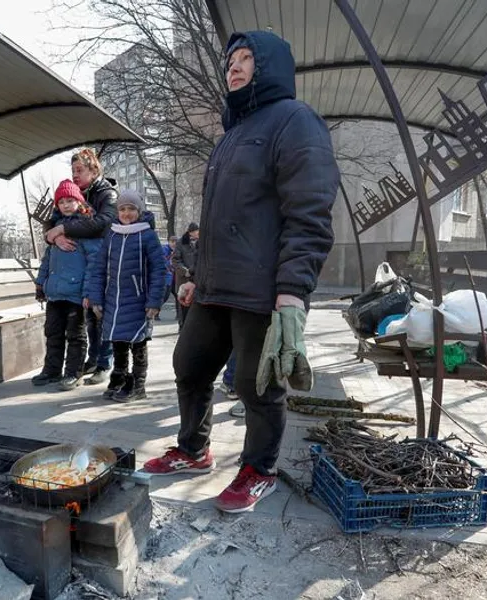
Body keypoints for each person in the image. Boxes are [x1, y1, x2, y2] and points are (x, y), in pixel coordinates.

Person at [142, 31, 339, 513]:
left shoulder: (295, 121)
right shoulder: (232, 133)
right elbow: (217, 222)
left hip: (262, 290)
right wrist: (194, 275)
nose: (235, 66)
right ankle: (193, 449)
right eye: (231, 59)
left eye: (247, 58)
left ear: (269, 65)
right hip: (214, 287)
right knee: (188, 367)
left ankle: (259, 469)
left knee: (257, 386)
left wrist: (292, 290)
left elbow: (310, 213)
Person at [44, 148, 117, 386]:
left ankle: (104, 362)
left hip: (105, 260)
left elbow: (102, 223)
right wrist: (53, 236)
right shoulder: (72, 195)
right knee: (89, 318)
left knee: (100, 313)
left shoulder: (107, 193)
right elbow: (51, 224)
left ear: (93, 170)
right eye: (72, 170)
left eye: (80, 170)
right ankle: (94, 359)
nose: (75, 174)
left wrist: (64, 230)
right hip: (78, 268)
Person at [85, 190, 165, 402]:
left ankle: (138, 385)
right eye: (122, 209)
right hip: (113, 300)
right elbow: (99, 268)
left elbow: (159, 269)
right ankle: (119, 378)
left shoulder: (147, 234)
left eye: (131, 209)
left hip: (139, 301)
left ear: (139, 211)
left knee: (138, 344)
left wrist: (154, 301)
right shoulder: (111, 234)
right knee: (117, 342)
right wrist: (96, 299)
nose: (126, 213)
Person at [32, 180, 102, 390]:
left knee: (75, 335)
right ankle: (52, 370)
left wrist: (89, 290)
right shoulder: (55, 229)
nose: (65, 204)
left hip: (75, 294)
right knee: (52, 332)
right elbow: (47, 259)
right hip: (54, 293)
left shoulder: (84, 228)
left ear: (79, 202)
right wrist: (40, 284)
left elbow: (93, 262)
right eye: (61, 201)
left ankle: (73, 372)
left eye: (70, 200)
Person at [172, 223, 198, 330]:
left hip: (196, 279)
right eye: (197, 231)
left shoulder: (201, 242)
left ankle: (192, 328)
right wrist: (185, 271)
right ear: (191, 232)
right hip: (184, 279)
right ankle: (182, 326)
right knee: (183, 304)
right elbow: (175, 260)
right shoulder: (181, 243)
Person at [157, 236, 176, 321]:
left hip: (170, 277)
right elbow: (162, 261)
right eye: (172, 242)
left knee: (166, 296)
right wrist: (170, 264)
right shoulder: (164, 249)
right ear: (169, 242)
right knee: (164, 296)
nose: (173, 244)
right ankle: (155, 312)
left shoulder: (174, 251)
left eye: (175, 242)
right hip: (164, 277)